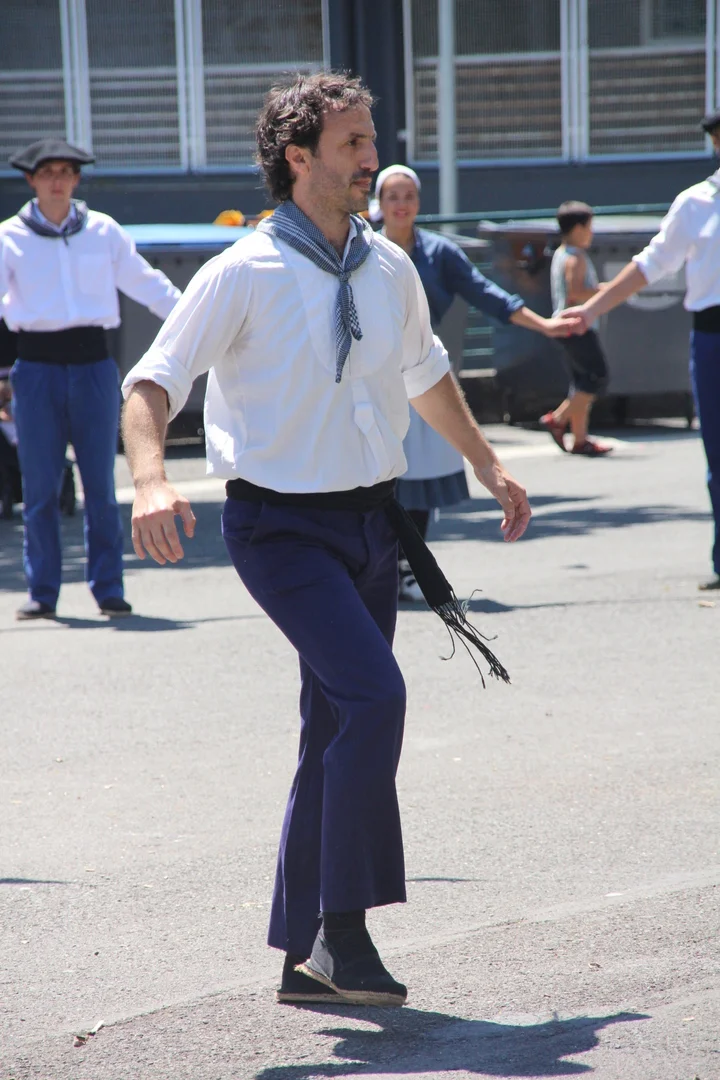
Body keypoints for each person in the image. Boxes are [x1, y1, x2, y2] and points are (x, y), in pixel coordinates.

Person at [120, 72, 531, 1007]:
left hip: (373, 526)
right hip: (281, 529)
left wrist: (487, 462)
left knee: (335, 723)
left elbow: (427, 373)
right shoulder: (243, 270)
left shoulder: (389, 268)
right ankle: (342, 935)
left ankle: (301, 954)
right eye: (353, 144)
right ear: (298, 157)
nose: (372, 158)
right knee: (375, 698)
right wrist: (149, 480)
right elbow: (152, 382)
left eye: (371, 140)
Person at [371, 165, 579, 601]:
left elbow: (486, 293)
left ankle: (409, 568)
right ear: (379, 202)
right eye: (392, 196)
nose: (401, 204)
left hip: (421, 376)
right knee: (371, 476)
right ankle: (378, 567)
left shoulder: (438, 253)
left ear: (419, 202)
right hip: (371, 378)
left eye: (408, 195)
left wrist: (542, 324)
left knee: (418, 475)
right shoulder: (362, 247)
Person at [0, 138, 181, 620]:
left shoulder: (102, 231)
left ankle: (108, 587)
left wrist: (195, 322)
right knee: (39, 489)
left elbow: (147, 282)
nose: (57, 180)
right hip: (35, 370)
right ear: (31, 180)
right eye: (47, 172)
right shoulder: (9, 237)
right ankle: (42, 591)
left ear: (77, 178)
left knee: (100, 485)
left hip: (94, 368)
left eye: (66, 171)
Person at [560, 113, 720, 591]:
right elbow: (651, 263)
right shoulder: (696, 204)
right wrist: (591, 309)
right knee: (718, 454)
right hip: (712, 335)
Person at [541, 201, 613, 456]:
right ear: (579, 228)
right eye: (589, 227)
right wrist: (605, 290)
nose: (591, 233)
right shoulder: (576, 258)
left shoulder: (561, 253)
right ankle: (557, 419)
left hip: (565, 328)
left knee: (581, 383)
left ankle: (580, 439)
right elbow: (576, 293)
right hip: (577, 327)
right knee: (596, 378)